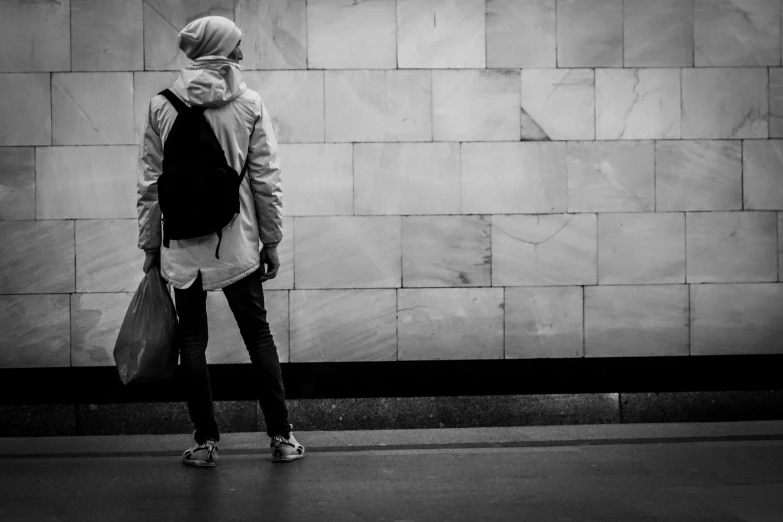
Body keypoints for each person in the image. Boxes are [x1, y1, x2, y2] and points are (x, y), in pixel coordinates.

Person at [137, 16, 304, 467]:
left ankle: (206, 443)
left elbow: (151, 184)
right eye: (238, 46)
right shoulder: (248, 103)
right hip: (237, 245)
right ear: (222, 49)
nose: (242, 55)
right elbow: (267, 180)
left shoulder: (161, 105)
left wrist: (150, 246)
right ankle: (282, 438)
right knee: (258, 338)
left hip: (181, 248)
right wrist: (271, 240)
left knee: (191, 342)